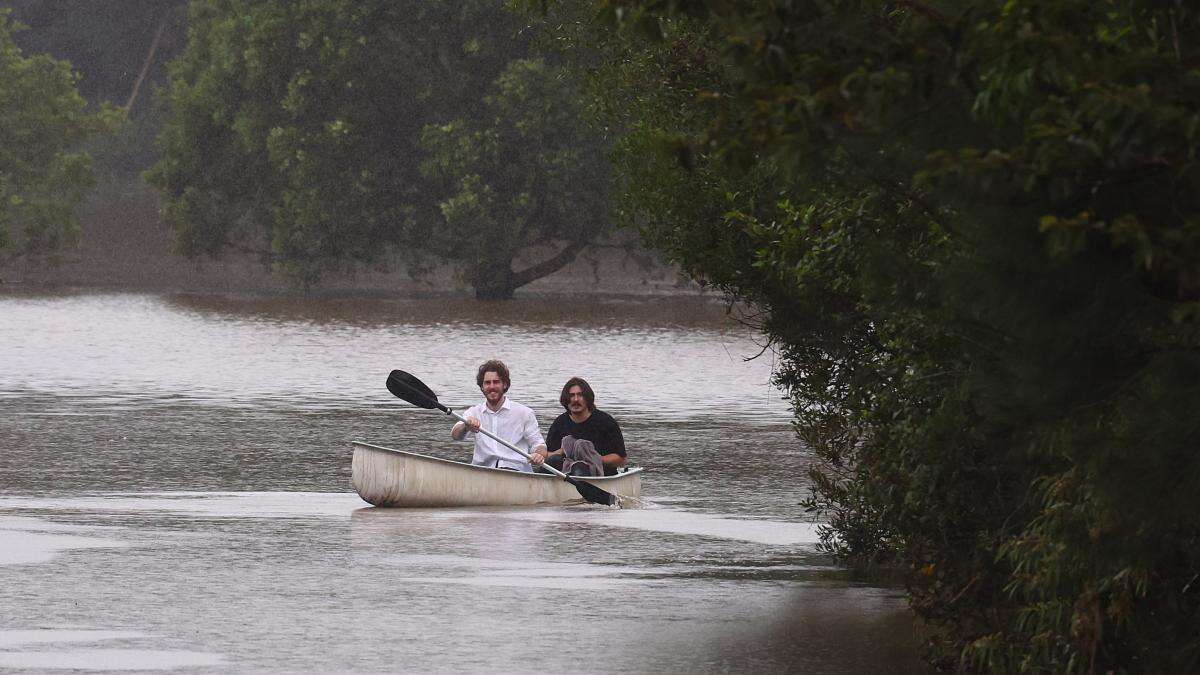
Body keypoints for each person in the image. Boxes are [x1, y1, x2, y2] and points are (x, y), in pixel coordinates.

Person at [451, 359, 546, 472]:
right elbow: (455, 435)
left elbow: (540, 445)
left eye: (496, 382)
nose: (491, 386)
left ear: (504, 384)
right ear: (482, 387)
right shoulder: (473, 412)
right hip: (482, 472)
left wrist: (538, 455)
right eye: (487, 383)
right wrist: (466, 426)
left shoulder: (524, 413)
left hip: (516, 472)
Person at [531, 377, 627, 476]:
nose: (575, 399)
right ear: (566, 399)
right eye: (571, 396)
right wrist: (561, 452)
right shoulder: (559, 423)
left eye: (580, 395)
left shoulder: (606, 422)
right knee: (553, 461)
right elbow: (548, 456)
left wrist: (592, 457)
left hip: (600, 476)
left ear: (588, 398)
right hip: (564, 475)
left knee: (579, 468)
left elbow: (621, 459)